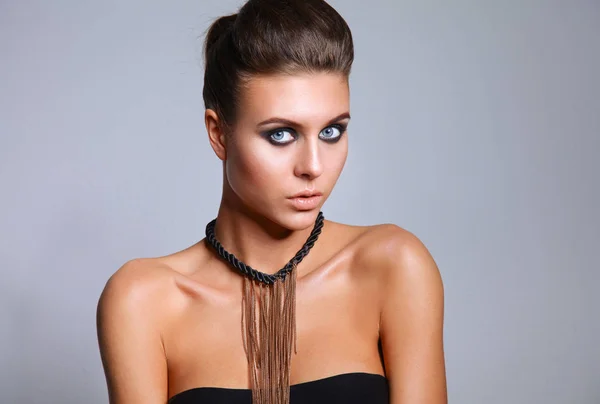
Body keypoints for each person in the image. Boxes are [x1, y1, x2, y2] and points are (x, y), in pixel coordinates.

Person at [96, 0, 447, 403]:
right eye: (281, 134)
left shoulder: (393, 267)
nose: (313, 166)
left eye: (332, 131)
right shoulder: (144, 301)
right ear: (219, 134)